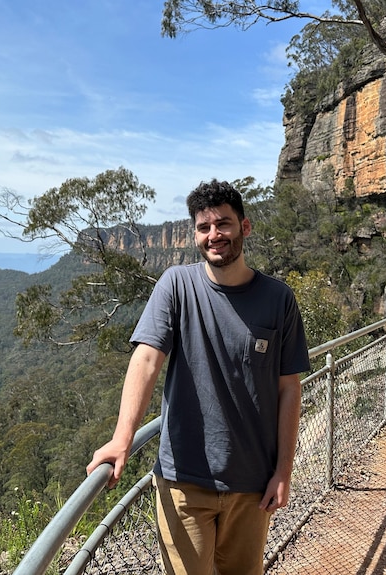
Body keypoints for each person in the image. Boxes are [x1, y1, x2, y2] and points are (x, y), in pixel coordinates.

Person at [86, 179, 311, 575]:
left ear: (245, 227)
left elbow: (288, 389)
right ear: (194, 234)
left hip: (252, 484)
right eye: (204, 227)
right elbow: (147, 358)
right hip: (183, 483)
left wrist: (283, 472)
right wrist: (123, 438)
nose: (214, 235)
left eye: (223, 224)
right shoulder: (176, 284)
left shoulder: (278, 299)